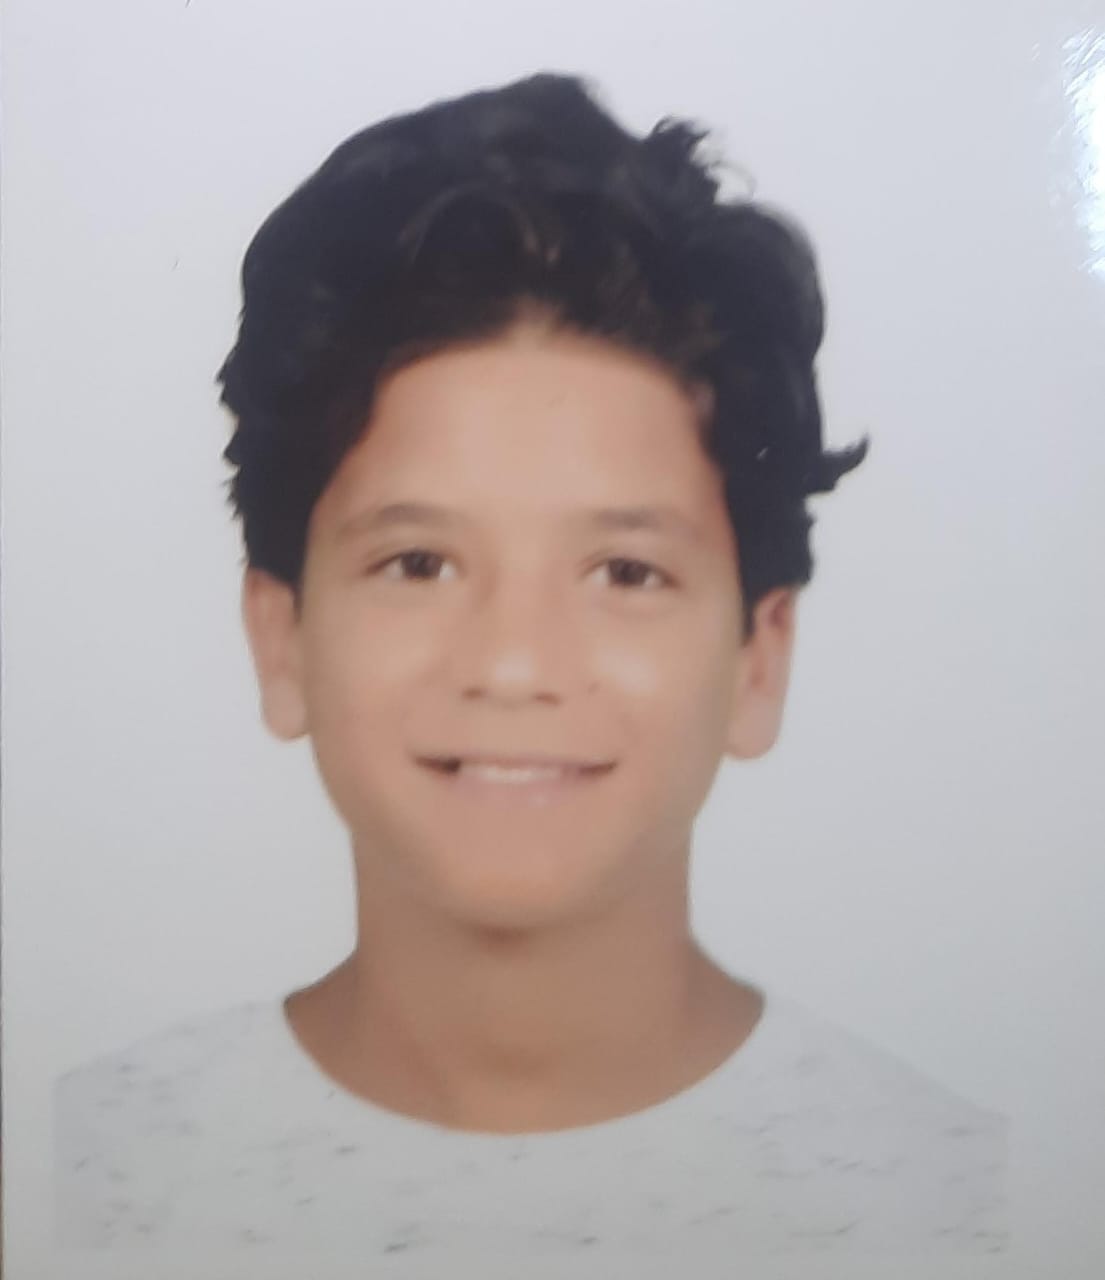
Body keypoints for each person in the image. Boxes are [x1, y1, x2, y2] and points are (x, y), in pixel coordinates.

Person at [54, 71, 1006, 1262]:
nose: (512, 664)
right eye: (417, 562)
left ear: (759, 658)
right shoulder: (75, 1179)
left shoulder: (973, 1210)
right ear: (279, 635)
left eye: (625, 572)